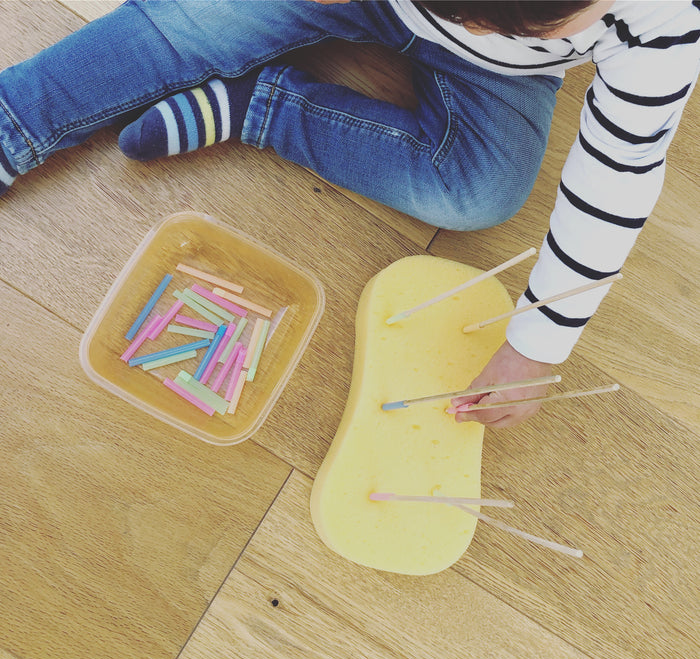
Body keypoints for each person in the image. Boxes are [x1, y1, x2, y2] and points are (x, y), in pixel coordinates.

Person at [0, 1, 697, 427]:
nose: (472, 23)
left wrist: (538, 344)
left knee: (481, 192)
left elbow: (622, 169)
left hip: (509, 72)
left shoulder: (668, 19)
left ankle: (261, 107)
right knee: (190, 22)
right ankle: (12, 122)